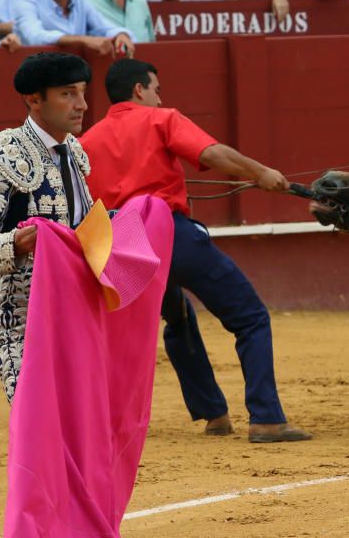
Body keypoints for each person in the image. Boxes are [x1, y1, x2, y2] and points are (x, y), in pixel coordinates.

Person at [80, 59, 311, 443]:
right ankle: (267, 418)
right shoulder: (161, 119)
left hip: (120, 245)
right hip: (170, 235)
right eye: (155, 87)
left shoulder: (87, 142)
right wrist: (260, 173)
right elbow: (212, 153)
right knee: (250, 317)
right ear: (139, 90)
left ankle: (213, 414)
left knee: (179, 318)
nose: (159, 95)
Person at [0, 52, 94, 402]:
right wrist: (16, 244)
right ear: (34, 99)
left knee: (78, 424)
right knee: (40, 424)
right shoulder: (1, 156)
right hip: (22, 321)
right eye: (68, 94)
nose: (81, 104)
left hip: (78, 314)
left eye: (82, 92)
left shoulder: (75, 153)